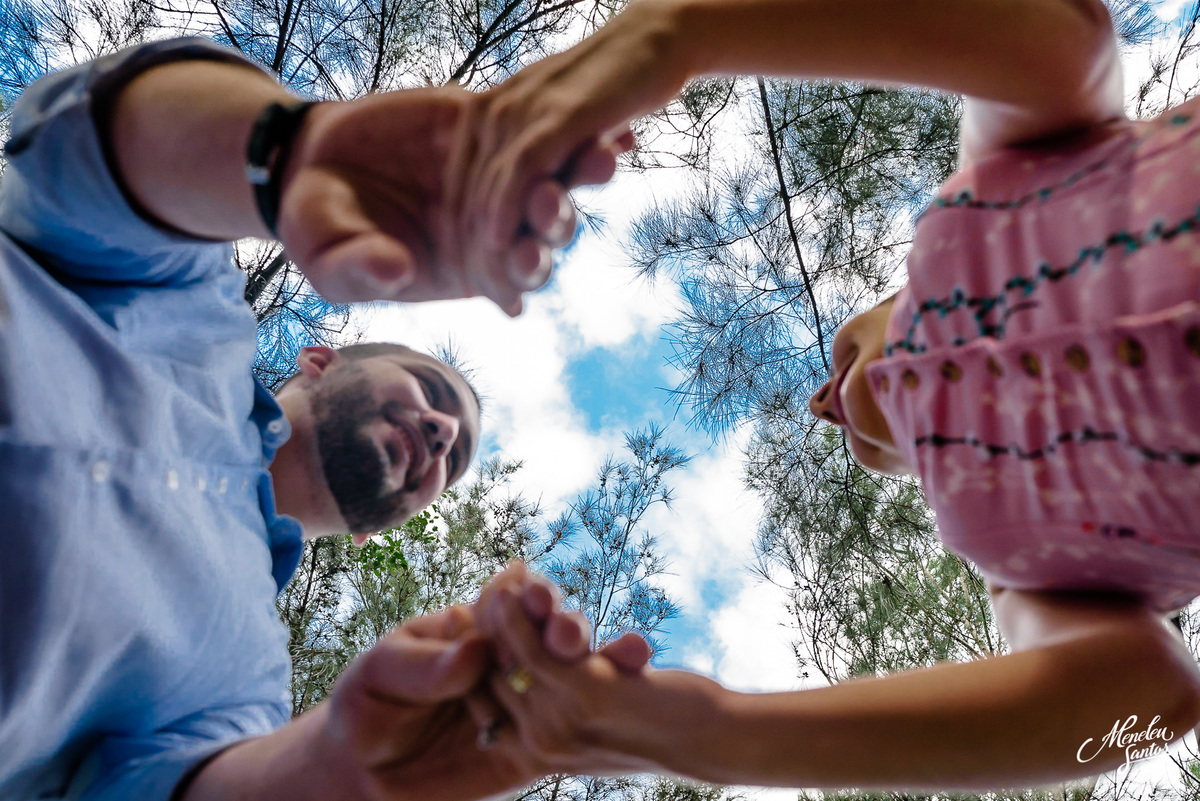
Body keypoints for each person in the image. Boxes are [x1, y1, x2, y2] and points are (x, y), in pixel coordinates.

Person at [461, 0, 1200, 790]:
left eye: (830, 360)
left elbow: (1064, 40)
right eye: (845, 434)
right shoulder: (1020, 566)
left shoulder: (995, 180)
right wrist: (713, 736)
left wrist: (680, 32)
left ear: (890, 296)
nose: (822, 404)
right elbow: (1145, 700)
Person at [0, 36, 641, 801]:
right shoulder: (194, 306)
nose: (441, 433)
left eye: (456, 452)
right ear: (321, 358)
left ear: (381, 529)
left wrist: (346, 773)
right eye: (433, 391)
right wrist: (294, 152)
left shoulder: (245, 694)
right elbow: (80, 161)